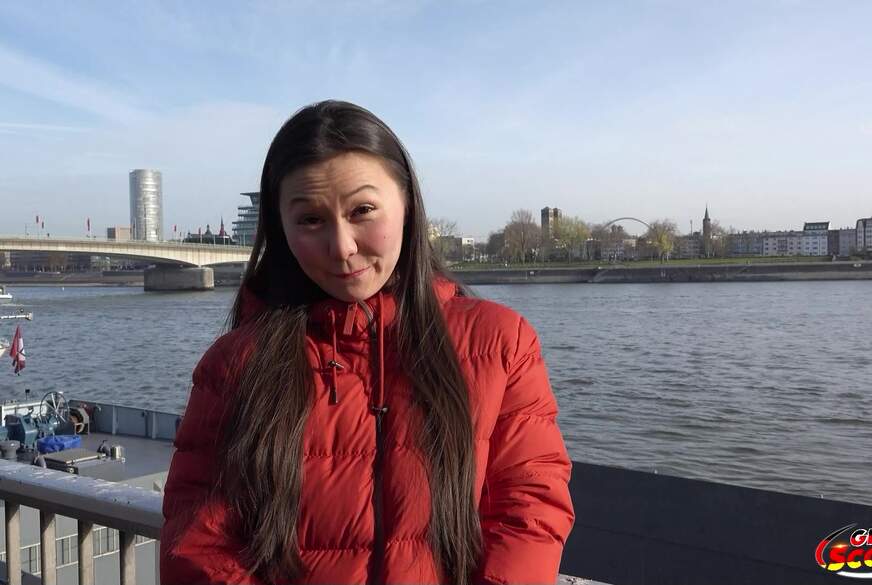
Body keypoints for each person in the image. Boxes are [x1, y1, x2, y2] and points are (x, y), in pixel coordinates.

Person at [160, 100, 574, 584]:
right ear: (281, 228)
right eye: (310, 220)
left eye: (362, 210)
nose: (342, 247)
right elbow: (198, 545)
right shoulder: (234, 364)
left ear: (407, 205)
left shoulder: (500, 343)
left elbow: (530, 508)